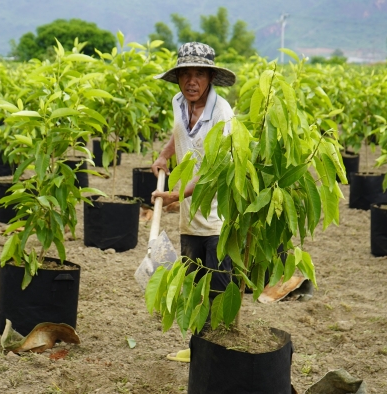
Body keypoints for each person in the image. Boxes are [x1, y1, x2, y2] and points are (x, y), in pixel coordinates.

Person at [151, 42, 236, 362]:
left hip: (217, 217)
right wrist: (163, 155)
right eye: (185, 74)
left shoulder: (223, 113)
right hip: (189, 217)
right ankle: (199, 347)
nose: (191, 81)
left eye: (199, 74)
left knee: (218, 286)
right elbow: (178, 132)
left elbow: (219, 168)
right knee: (194, 286)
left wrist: (177, 193)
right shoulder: (178, 102)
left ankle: (221, 351)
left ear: (210, 78)